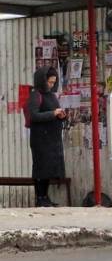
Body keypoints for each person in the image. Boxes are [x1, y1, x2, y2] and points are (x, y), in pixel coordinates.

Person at [27, 66, 66, 207]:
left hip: (52, 139)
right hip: (40, 139)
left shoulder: (51, 95)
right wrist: (53, 113)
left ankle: (46, 197)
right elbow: (34, 115)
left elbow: (54, 111)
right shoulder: (35, 95)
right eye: (49, 82)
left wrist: (61, 116)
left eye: (53, 82)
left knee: (49, 168)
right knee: (41, 168)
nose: (51, 85)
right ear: (42, 80)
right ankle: (40, 197)